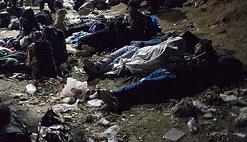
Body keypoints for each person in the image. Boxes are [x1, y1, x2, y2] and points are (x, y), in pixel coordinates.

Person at [97, 39, 244, 113]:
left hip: (178, 80)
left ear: (205, 50)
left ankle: (114, 94)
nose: (196, 48)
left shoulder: (210, 63)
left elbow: (229, 61)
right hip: (170, 71)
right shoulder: (195, 58)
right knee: (145, 82)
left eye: (199, 46)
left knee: (146, 85)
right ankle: (120, 102)